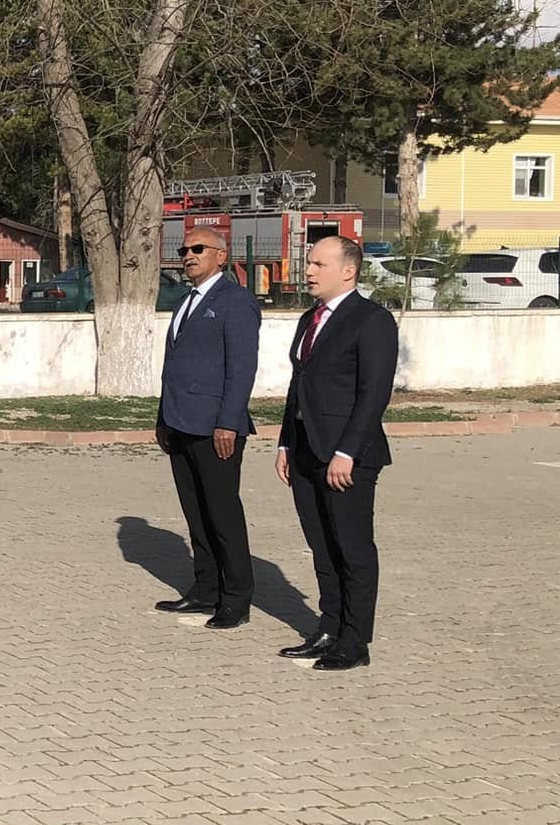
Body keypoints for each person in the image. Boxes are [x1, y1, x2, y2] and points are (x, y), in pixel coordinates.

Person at [276, 235, 397, 672]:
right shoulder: (309, 318)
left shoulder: (372, 320)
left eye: (318, 264)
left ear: (348, 270)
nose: (308, 270)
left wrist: (346, 451)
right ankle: (328, 627)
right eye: (309, 262)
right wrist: (287, 442)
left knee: (352, 547)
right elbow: (299, 387)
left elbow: (373, 394)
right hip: (307, 451)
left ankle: (354, 640)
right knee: (322, 546)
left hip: (348, 457)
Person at [154, 221, 262, 630]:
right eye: (184, 250)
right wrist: (163, 417)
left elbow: (241, 368)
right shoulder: (187, 301)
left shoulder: (235, 301)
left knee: (222, 513)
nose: (188, 256)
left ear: (221, 256)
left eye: (198, 249)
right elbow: (175, 366)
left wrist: (228, 422)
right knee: (195, 512)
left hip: (215, 426)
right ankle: (205, 589)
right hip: (180, 422)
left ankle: (236, 598)